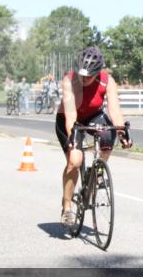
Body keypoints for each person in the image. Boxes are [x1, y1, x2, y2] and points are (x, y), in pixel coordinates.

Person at [56, 46, 132, 227]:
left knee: (109, 132)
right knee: (75, 161)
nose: (84, 79)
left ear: (97, 73)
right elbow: (71, 114)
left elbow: (114, 111)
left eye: (89, 76)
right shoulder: (69, 80)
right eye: (82, 75)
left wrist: (122, 133)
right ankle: (67, 207)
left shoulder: (108, 81)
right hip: (68, 118)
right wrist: (73, 138)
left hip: (92, 116)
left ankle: (97, 171)